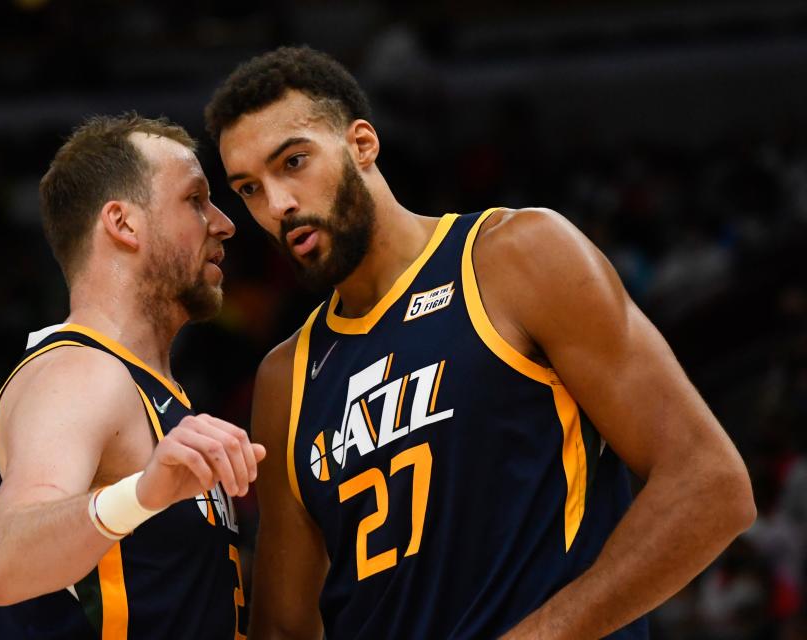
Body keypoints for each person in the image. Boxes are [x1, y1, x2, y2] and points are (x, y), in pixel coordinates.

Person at [204, 47, 756, 639]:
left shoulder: (516, 256)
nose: (278, 205)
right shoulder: (286, 378)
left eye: (293, 162)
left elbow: (709, 484)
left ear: (362, 144)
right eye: (249, 189)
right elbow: (285, 630)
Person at [0, 113, 265, 639]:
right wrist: (143, 493)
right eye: (195, 199)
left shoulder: (147, 388)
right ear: (123, 223)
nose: (224, 223)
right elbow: (2, 563)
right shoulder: (81, 372)